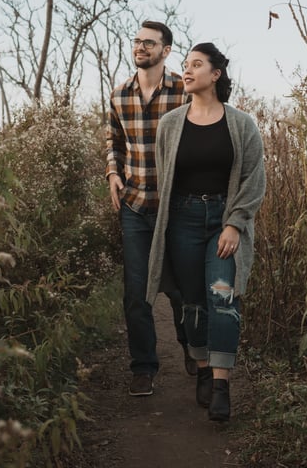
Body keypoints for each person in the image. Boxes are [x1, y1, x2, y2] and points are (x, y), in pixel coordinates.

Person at [146, 42, 266, 422]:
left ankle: (220, 386)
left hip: (222, 220)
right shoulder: (170, 125)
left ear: (215, 74)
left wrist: (234, 223)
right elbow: (165, 179)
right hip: (182, 220)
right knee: (193, 302)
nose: (187, 70)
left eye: (196, 64)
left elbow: (254, 178)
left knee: (223, 297)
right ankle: (201, 366)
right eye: (186, 64)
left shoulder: (241, 124)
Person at [106, 20, 197, 397]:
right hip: (135, 205)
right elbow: (114, 141)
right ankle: (143, 367)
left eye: (149, 42)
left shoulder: (184, 91)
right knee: (136, 291)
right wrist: (113, 172)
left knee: (180, 289)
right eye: (137, 41)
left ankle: (192, 347)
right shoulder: (119, 94)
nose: (140, 47)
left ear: (166, 50)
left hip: (176, 207)